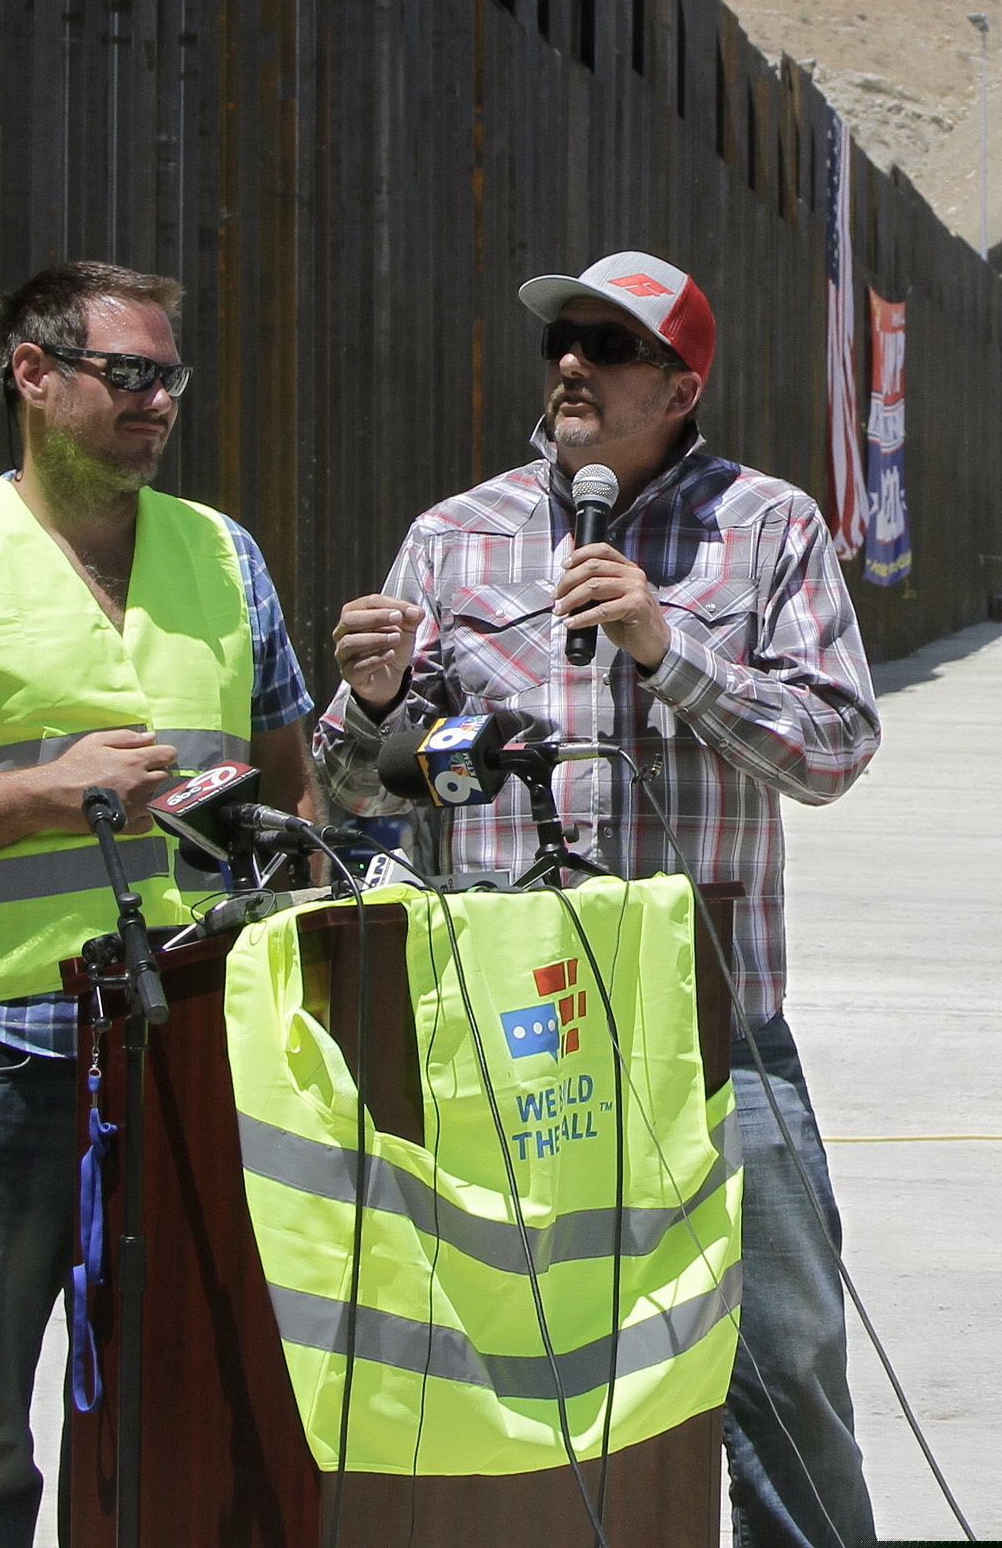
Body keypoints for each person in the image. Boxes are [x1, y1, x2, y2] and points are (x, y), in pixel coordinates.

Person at [316, 251, 883, 1548]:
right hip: (507, 1040)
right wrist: (374, 701)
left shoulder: (770, 527)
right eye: (559, 340)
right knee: (512, 1373)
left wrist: (664, 645)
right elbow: (361, 798)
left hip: (711, 1035)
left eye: (607, 345)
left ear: (681, 384)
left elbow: (835, 748)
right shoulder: (454, 536)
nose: (570, 363)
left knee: (784, 1361)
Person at [0, 262, 318, 1547]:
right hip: (1, 1048)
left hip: (201, 1039)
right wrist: (47, 794)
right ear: (32, 375)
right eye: (127, 374)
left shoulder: (222, 553)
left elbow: (293, 785)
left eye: (169, 377)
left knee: (198, 1380)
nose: (157, 402)